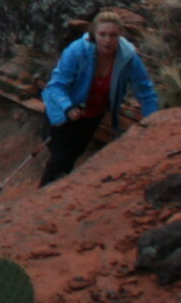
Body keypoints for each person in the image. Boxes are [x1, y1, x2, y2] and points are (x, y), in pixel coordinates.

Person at [40, 9, 158, 185]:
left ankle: (51, 193)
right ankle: (43, 198)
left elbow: (145, 90)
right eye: (102, 34)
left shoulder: (128, 58)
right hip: (64, 113)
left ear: (120, 35)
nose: (107, 40)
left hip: (93, 115)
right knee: (60, 160)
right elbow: (56, 85)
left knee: (71, 157)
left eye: (113, 35)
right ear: (94, 34)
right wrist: (68, 107)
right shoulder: (78, 51)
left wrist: (153, 120)